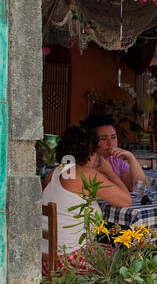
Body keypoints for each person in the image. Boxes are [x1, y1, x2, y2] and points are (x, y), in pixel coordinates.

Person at [42, 126, 132, 267]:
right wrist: (109, 172)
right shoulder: (86, 175)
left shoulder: (55, 172)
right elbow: (126, 200)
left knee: (108, 248)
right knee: (127, 256)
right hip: (69, 261)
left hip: (46, 261)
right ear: (89, 153)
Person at [81, 113, 141, 191]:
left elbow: (139, 187)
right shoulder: (86, 163)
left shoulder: (116, 161)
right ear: (91, 141)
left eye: (113, 137)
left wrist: (131, 158)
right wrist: (109, 173)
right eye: (103, 139)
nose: (110, 143)